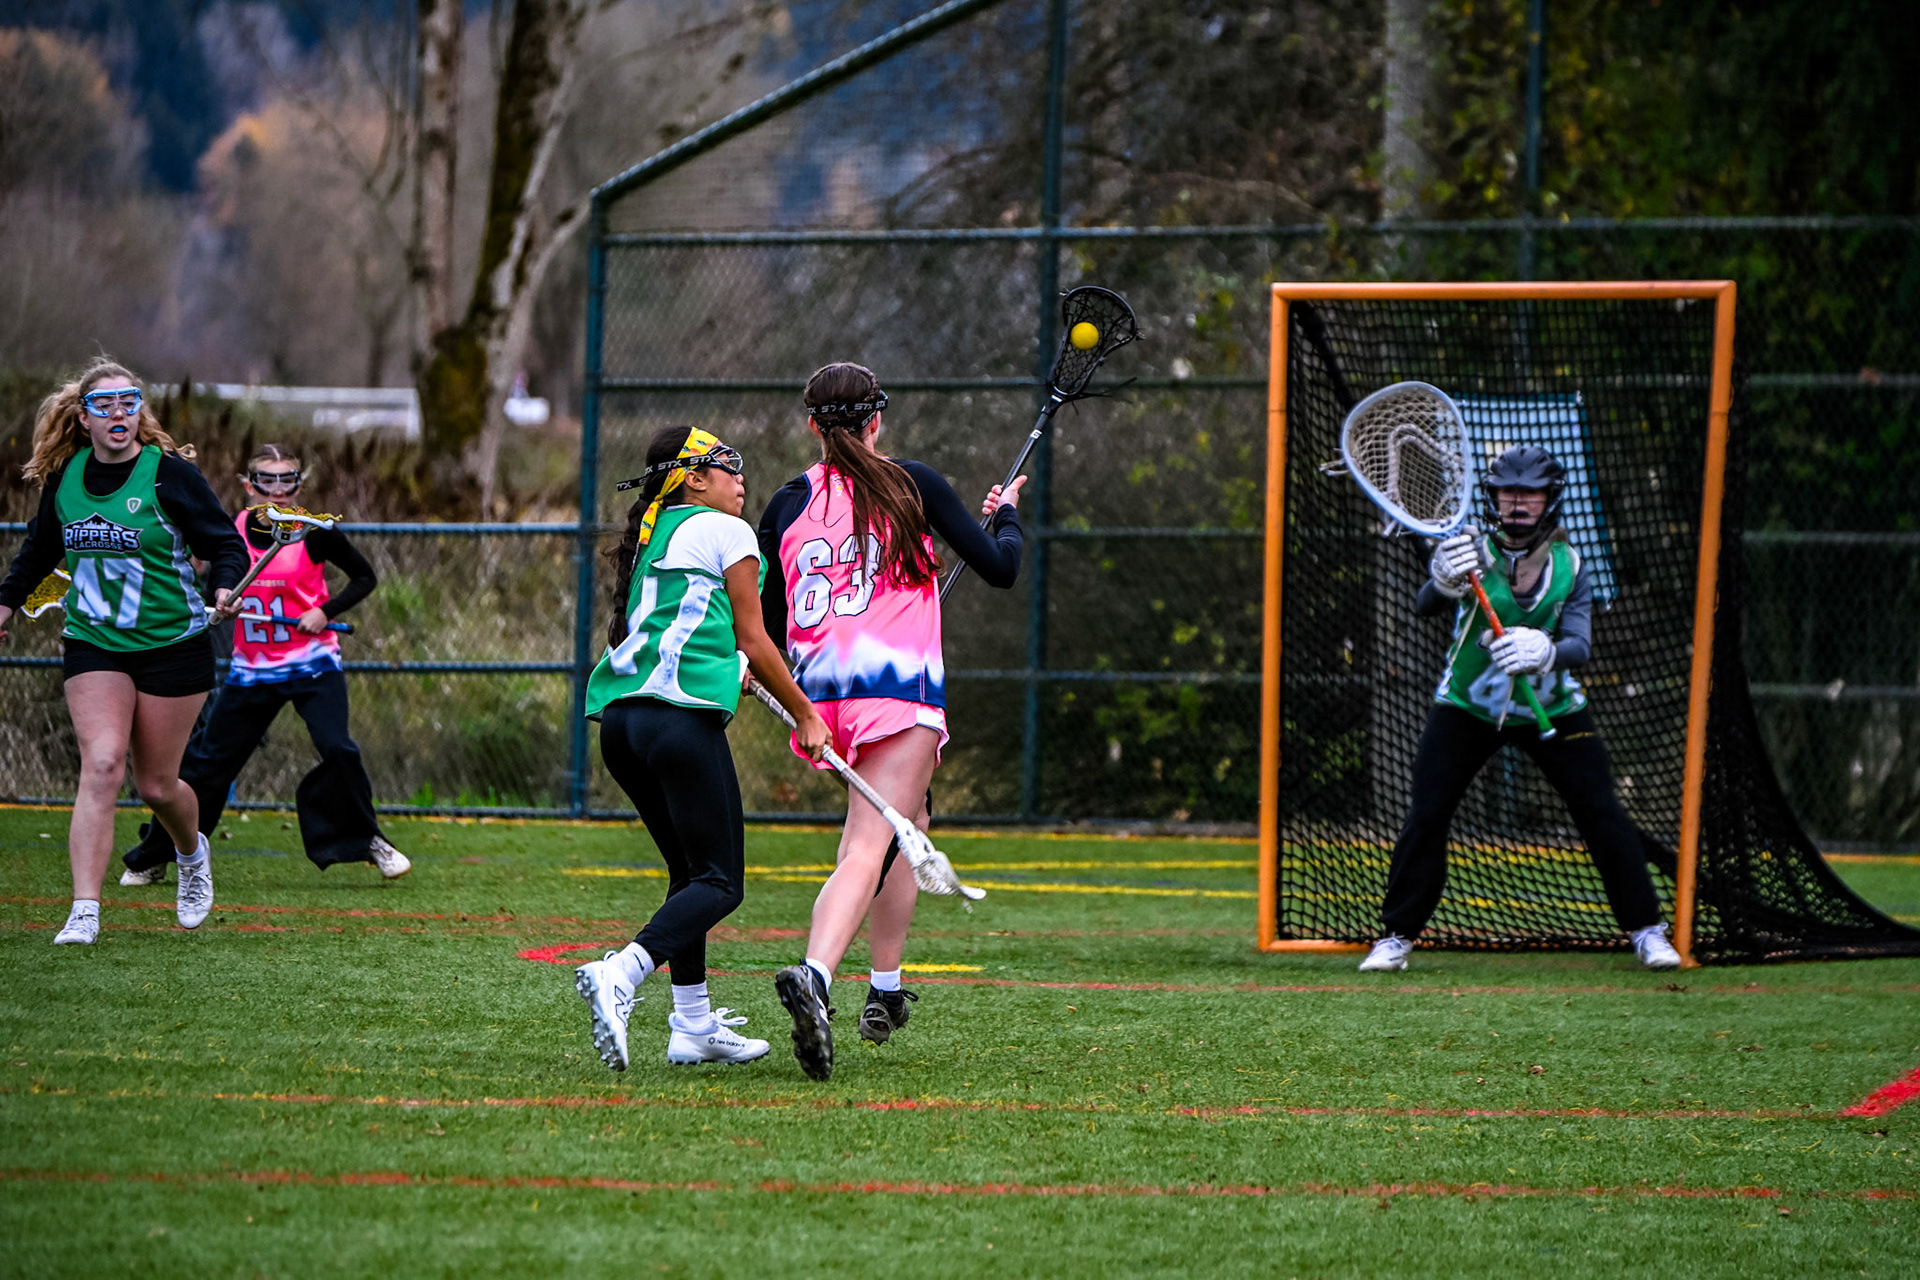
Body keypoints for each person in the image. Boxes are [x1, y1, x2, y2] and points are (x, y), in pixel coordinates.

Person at [759, 362, 1025, 1080]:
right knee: (868, 844)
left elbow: (773, 626)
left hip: (822, 701)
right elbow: (1001, 568)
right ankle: (815, 976)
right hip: (898, 693)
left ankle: (884, 989)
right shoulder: (914, 484)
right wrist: (1006, 516)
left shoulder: (784, 504)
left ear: (812, 426)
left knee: (910, 824)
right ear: (877, 419)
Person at [1357, 444, 1683, 973]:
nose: (1517, 503)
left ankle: (1647, 930)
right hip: (1465, 707)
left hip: (1552, 710)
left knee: (1602, 812)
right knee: (1428, 813)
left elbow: (1579, 645)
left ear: (1549, 500)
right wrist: (1442, 580)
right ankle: (1396, 936)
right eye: (1508, 492)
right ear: (1493, 498)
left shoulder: (1570, 566)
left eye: (1529, 493)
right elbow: (1424, 605)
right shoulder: (1470, 551)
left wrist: (1546, 651)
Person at [572, 426, 830, 1072]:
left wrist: (728, 662)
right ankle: (622, 972)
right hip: (676, 720)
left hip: (623, 725)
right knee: (720, 882)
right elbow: (754, 635)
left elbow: (689, 625)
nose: (741, 479)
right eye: (727, 466)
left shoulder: (652, 532)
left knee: (689, 875)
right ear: (693, 477)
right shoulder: (727, 530)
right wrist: (806, 714)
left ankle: (692, 1025)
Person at [0, 359, 248, 944]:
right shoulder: (66, 478)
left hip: (172, 643)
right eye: (105, 404)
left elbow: (224, 543)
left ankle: (190, 853)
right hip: (95, 642)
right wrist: (5, 603)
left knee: (157, 785)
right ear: (83, 417)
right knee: (103, 764)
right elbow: (39, 552)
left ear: (140, 412)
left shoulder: (169, 476)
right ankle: (84, 909)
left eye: (129, 402)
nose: (119, 412)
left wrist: (224, 585)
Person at [117, 444, 407, 884]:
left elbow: (365, 577)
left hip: (312, 663)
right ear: (248, 486)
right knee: (207, 764)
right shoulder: (228, 532)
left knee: (339, 749)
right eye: (266, 480)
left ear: (299, 486)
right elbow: (210, 577)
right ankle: (158, 853)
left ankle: (368, 840)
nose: (277, 489)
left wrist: (324, 611)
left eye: (287, 479)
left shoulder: (315, 531)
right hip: (252, 671)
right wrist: (218, 598)